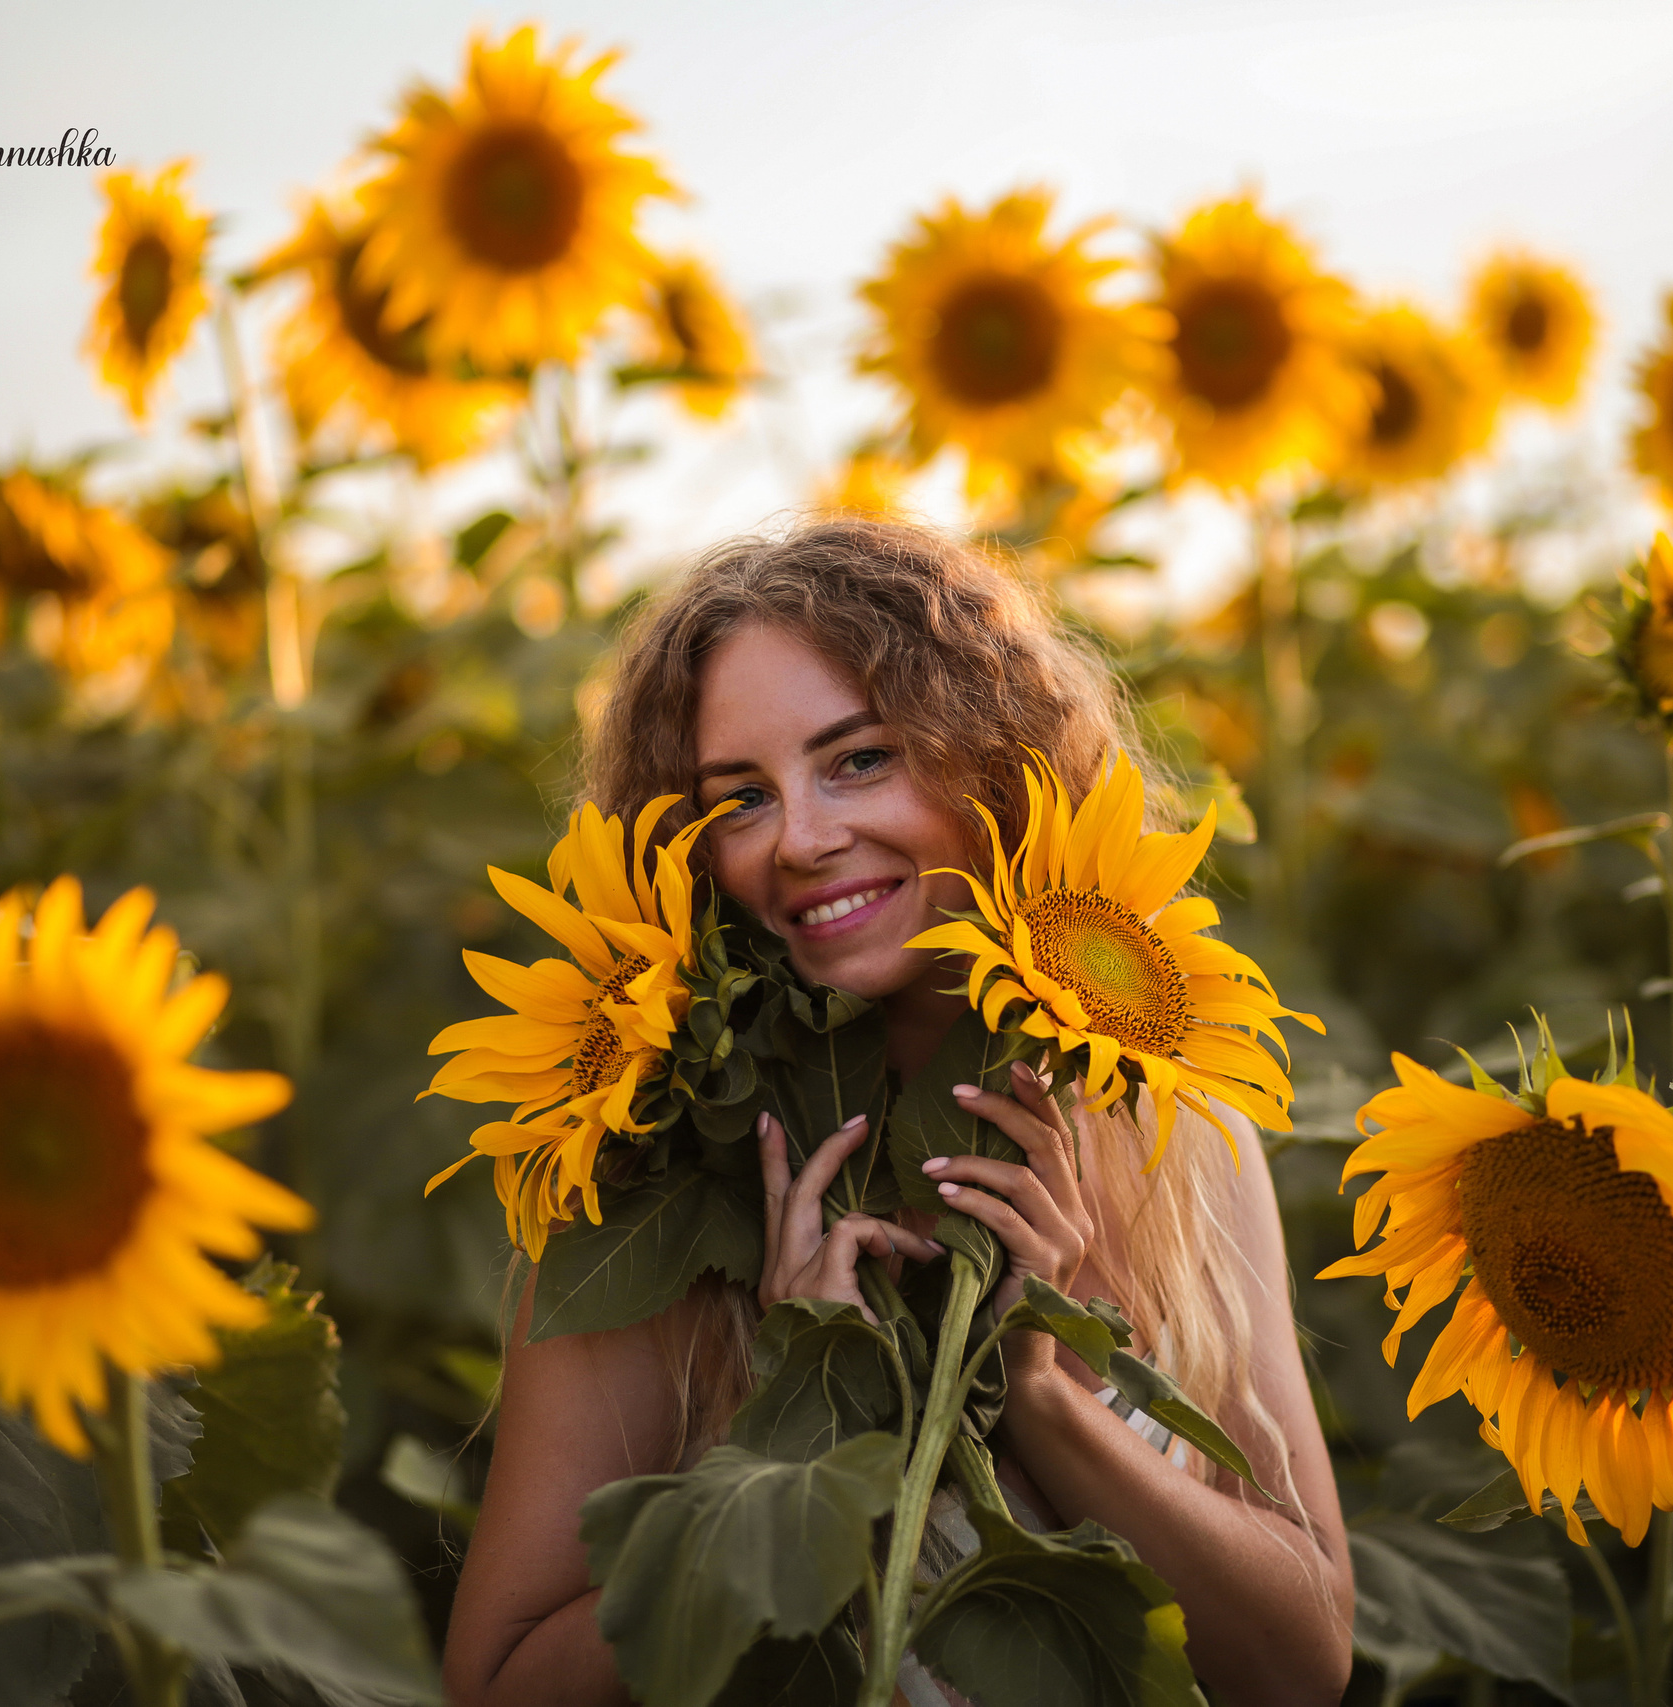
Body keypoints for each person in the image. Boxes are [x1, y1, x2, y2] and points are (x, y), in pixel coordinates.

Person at [442, 518, 1353, 1707]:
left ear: (986, 758)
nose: (805, 839)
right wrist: (779, 1442)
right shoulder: (640, 1187)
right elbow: (497, 1688)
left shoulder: (1175, 1141)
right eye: (739, 801)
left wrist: (1043, 1396)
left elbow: (1302, 1665)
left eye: (860, 759)